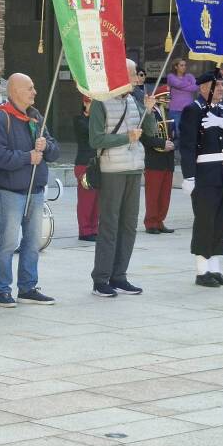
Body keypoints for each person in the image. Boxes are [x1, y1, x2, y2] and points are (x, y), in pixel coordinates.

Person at [0, 73, 59, 308]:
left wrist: (46, 146)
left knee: (32, 242)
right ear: (15, 91)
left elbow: (54, 152)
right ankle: (2, 289)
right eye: (30, 88)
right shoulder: (1, 119)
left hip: (35, 189)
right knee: (8, 243)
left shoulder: (36, 117)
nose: (34, 92)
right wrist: (27, 157)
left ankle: (27, 287)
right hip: (11, 191)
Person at [88, 59, 157, 298]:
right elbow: (96, 140)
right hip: (111, 171)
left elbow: (150, 131)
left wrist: (148, 110)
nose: (137, 79)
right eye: (132, 75)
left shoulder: (134, 100)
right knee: (109, 226)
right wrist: (126, 138)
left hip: (134, 168)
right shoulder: (100, 103)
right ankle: (101, 278)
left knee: (128, 226)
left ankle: (120, 276)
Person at [179, 72, 223, 287]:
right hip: (207, 176)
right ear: (203, 88)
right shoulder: (192, 110)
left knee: (222, 222)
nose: (222, 89)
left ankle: (215, 269)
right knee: (206, 222)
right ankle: (202, 271)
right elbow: (186, 146)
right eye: (217, 85)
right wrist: (189, 176)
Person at [143, 84, 176, 234]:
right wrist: (162, 143)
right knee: (153, 194)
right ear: (158, 98)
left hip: (168, 160)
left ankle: (160, 220)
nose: (168, 101)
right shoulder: (148, 114)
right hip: (154, 159)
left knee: (165, 195)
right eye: (166, 98)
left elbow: (175, 134)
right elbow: (145, 137)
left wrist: (174, 143)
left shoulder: (167, 115)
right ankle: (151, 222)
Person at [72, 96, 99, 242]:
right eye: (91, 103)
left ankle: (94, 228)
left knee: (97, 200)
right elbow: (91, 133)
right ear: (84, 103)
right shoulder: (79, 120)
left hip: (97, 163)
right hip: (84, 164)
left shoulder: (98, 120)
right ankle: (84, 230)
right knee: (86, 200)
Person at [166, 59, 196, 140]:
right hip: (175, 109)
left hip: (188, 109)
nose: (184, 67)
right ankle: (176, 150)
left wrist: (181, 86)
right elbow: (177, 84)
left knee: (187, 131)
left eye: (185, 65)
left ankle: (183, 150)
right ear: (176, 67)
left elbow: (195, 87)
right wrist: (189, 84)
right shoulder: (171, 76)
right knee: (177, 133)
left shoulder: (189, 76)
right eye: (181, 65)